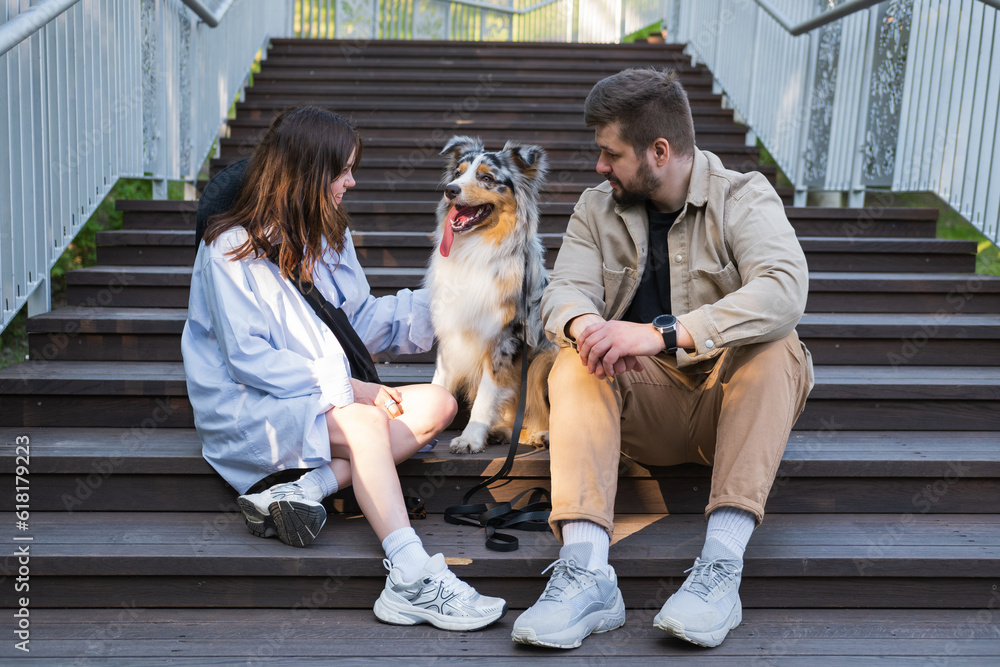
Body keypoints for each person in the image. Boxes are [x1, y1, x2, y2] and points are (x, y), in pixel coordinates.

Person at [511, 69, 814, 649]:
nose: (599, 166)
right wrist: (588, 326)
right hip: (640, 411)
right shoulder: (595, 209)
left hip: (730, 407)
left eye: (611, 153)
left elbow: (783, 289)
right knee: (576, 356)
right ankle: (586, 574)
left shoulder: (742, 195)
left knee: (779, 345)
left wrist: (662, 333)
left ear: (659, 151)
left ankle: (720, 569)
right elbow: (563, 290)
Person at [181, 106, 507, 631]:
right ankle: (410, 573)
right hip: (253, 405)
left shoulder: (327, 236)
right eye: (343, 171)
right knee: (366, 421)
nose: (351, 182)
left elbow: (357, 323)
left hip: (322, 399)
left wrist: (454, 298)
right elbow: (248, 359)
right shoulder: (230, 248)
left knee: (440, 403)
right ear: (307, 173)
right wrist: (349, 387)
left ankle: (305, 489)